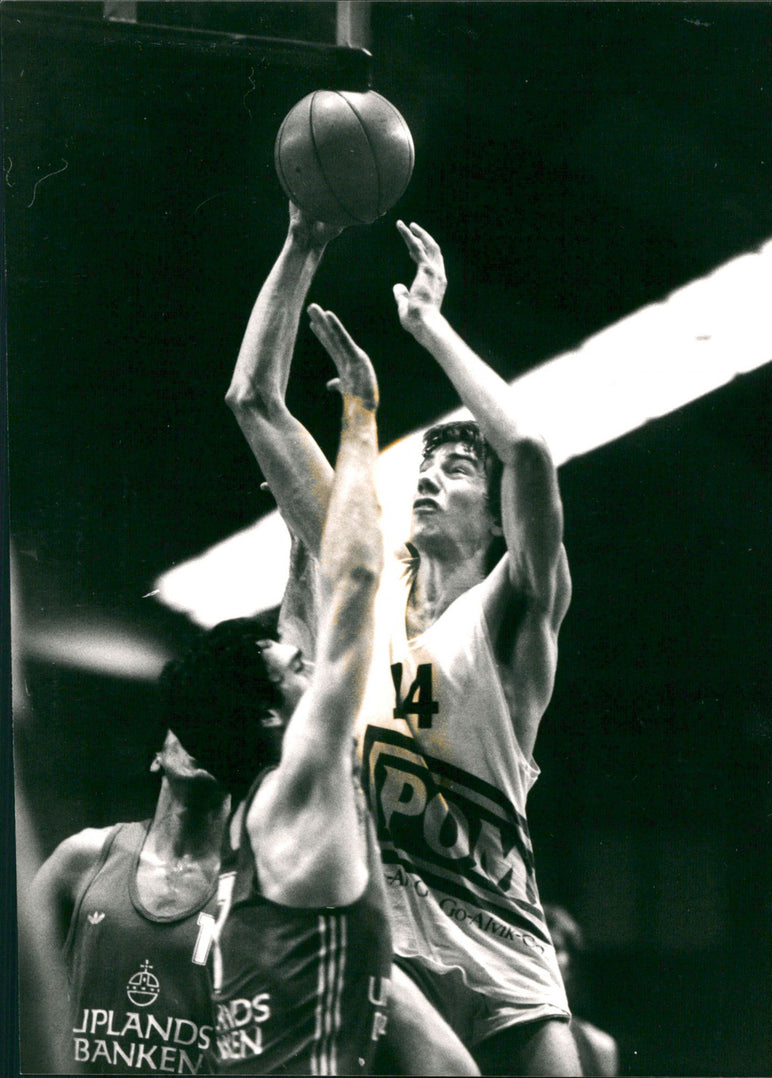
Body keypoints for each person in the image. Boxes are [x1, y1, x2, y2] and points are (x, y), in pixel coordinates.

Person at [225, 204, 581, 1077]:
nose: (430, 475)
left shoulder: (511, 614)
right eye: (424, 465)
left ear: (494, 522)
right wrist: (302, 242)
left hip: (511, 948)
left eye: (458, 469)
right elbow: (255, 402)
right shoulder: (363, 595)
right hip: (387, 938)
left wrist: (427, 326)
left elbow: (529, 447)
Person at [166, 307, 394, 1075]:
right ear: (271, 712)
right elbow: (360, 577)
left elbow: (250, 398)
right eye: (293, 668)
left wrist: (301, 533)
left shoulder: (250, 825)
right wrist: (359, 412)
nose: (309, 663)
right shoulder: (303, 785)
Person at [29, 718, 232, 1074]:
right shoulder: (83, 857)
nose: (205, 735)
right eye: (192, 720)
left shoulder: (246, 887)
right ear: (157, 756)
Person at [544, 905, 619, 1077]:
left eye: (554, 947)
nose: (543, 954)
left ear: (571, 964)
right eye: (534, 945)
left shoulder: (599, 1046)